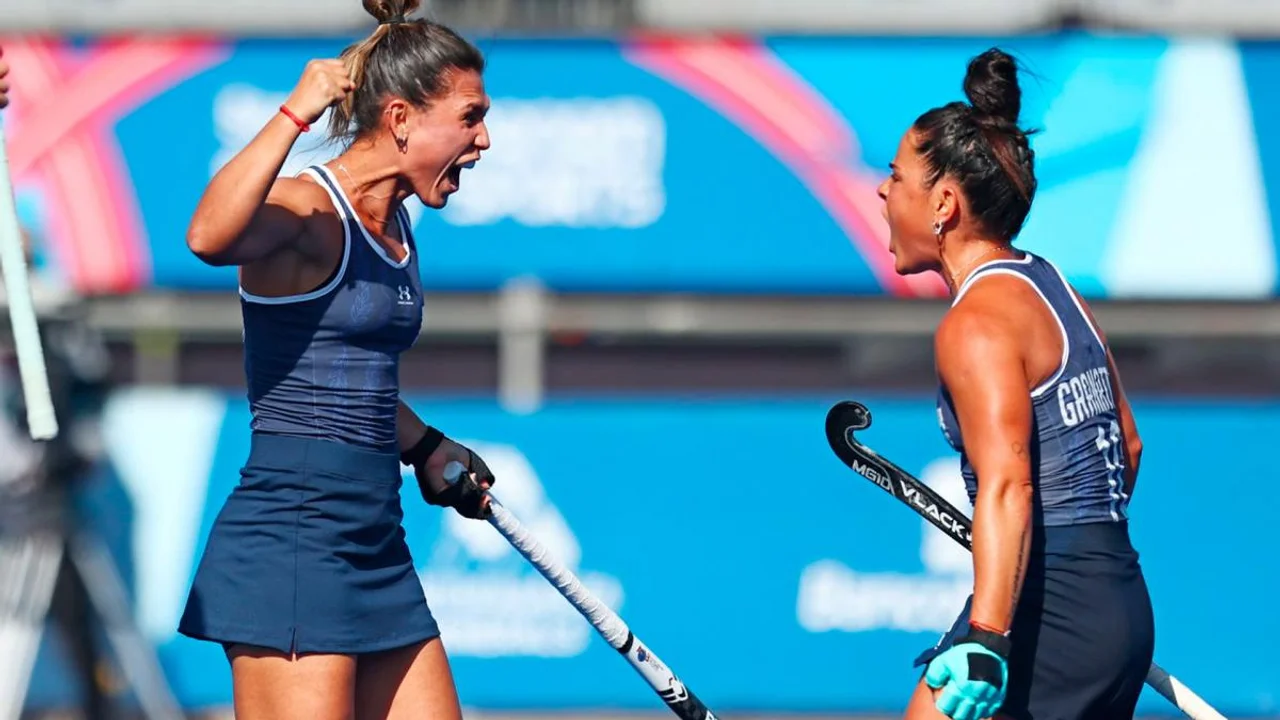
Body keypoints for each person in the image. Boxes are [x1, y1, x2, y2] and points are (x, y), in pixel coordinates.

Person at [176, 1, 496, 718]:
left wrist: (427, 446)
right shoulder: (310, 213)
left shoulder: (399, 223)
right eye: (470, 116)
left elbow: (354, 382)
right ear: (402, 118)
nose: (485, 140)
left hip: (376, 536)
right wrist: (295, 111)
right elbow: (206, 236)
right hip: (291, 541)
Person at [876, 48, 1154, 720]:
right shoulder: (1052, 284)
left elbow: (1009, 485)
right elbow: (1130, 446)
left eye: (895, 177)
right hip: (1113, 597)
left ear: (942, 202)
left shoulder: (973, 324)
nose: (883, 192)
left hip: (1046, 610)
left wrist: (990, 638)